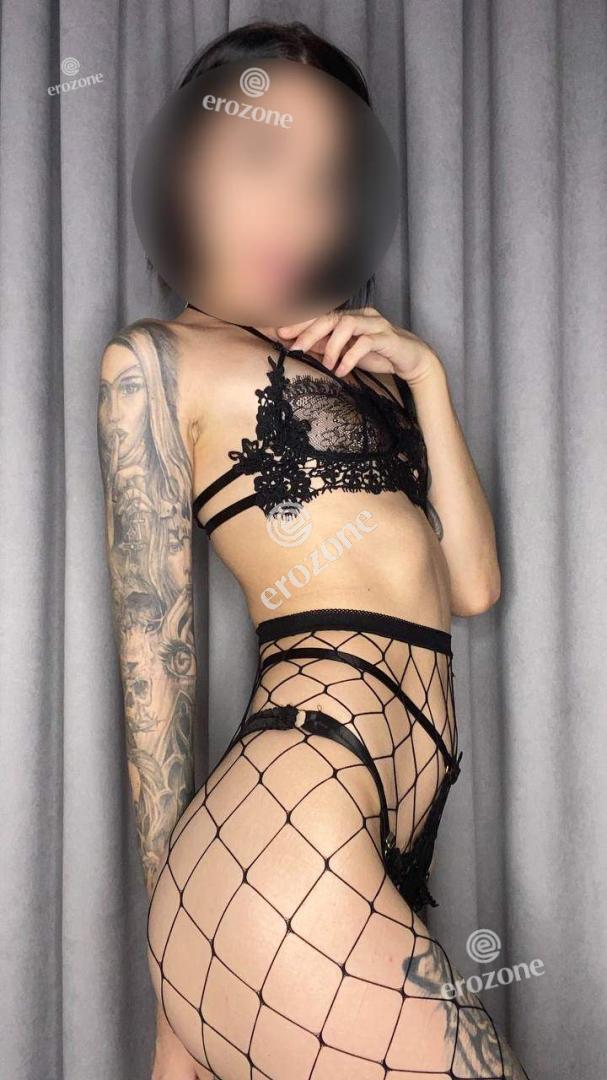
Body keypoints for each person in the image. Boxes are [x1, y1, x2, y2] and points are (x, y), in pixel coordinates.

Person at [97, 20, 531, 1080]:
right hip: (278, 846)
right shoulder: (156, 360)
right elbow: (156, 666)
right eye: (258, 161)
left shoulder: (368, 366)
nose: (293, 210)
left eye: (325, 181)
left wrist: (425, 379)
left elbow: (472, 584)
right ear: (185, 173)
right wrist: (175, 974)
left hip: (365, 845)